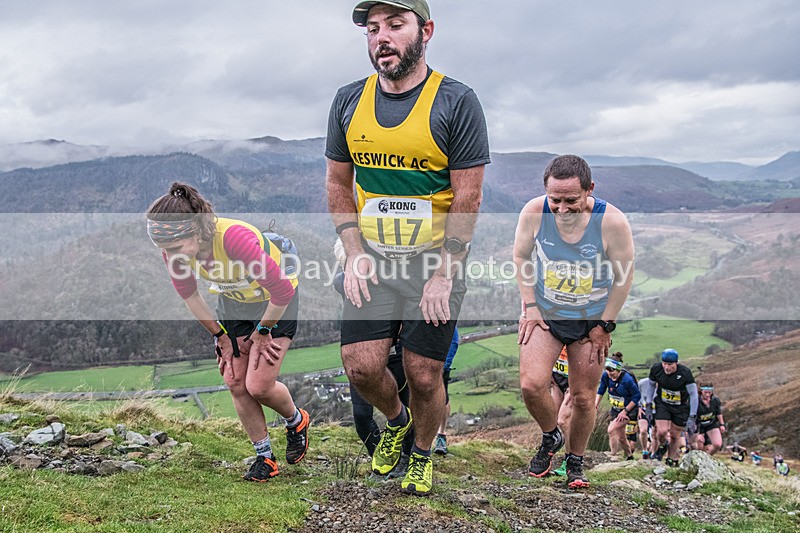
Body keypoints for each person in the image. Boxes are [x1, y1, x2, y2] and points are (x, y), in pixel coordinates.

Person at [326, 0, 490, 495]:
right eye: (373, 29)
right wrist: (353, 252)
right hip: (372, 259)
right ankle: (396, 421)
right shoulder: (348, 101)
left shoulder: (456, 102)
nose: (382, 38)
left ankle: (421, 453)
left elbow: (469, 197)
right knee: (360, 366)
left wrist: (445, 272)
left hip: (433, 263)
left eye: (395, 25)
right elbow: (337, 185)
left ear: (426, 31)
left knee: (423, 372)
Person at [146, 182, 309, 482]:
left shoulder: (234, 240)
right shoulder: (173, 249)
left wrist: (263, 330)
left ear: (196, 231)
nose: (172, 257)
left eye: (177, 249)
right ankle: (265, 457)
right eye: (166, 251)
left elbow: (282, 292)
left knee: (259, 385)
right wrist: (219, 335)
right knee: (235, 380)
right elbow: (191, 296)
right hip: (235, 302)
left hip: (275, 303)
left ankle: (296, 421)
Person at [513, 154, 635, 489]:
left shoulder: (612, 222)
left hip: (589, 321)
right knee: (531, 384)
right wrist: (530, 305)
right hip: (547, 312)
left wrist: (604, 326)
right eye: (555, 200)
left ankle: (576, 461)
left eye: (572, 200)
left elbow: (624, 277)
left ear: (589, 189)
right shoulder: (534, 212)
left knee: (583, 397)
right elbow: (521, 256)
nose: (562, 209)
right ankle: (551, 436)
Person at [640, 349, 698, 467]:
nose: (666, 367)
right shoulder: (656, 369)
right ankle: (663, 444)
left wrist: (692, 416)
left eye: (670, 365)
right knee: (661, 432)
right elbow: (651, 386)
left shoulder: (685, 373)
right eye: (664, 364)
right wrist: (649, 405)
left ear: (676, 363)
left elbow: (693, 394)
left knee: (675, 435)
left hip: (680, 407)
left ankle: (670, 459)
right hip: (663, 404)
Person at [595, 352, 641, 461]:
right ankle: (630, 456)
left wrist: (625, 411)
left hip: (629, 410)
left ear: (618, 369)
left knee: (611, 430)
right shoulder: (606, 376)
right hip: (615, 409)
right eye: (607, 369)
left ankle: (613, 456)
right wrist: (595, 405)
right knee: (621, 437)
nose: (610, 373)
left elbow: (637, 396)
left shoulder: (627, 380)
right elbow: (601, 390)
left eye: (612, 370)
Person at [434, 326, 459, 455]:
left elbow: (454, 340)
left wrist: (445, 365)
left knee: (443, 398)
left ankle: (441, 435)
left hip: (441, 363)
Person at [550, 345, 572, 476]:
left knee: (563, 420)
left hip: (574, 381)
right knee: (551, 420)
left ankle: (569, 462)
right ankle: (547, 457)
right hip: (557, 378)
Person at [692, 382, 725, 455]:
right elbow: (691, 418)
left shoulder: (715, 400)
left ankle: (708, 458)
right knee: (699, 447)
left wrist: (722, 424)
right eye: (705, 392)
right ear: (701, 391)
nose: (707, 395)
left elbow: (718, 413)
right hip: (698, 425)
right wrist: (697, 434)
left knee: (717, 444)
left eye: (709, 392)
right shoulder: (695, 401)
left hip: (711, 423)